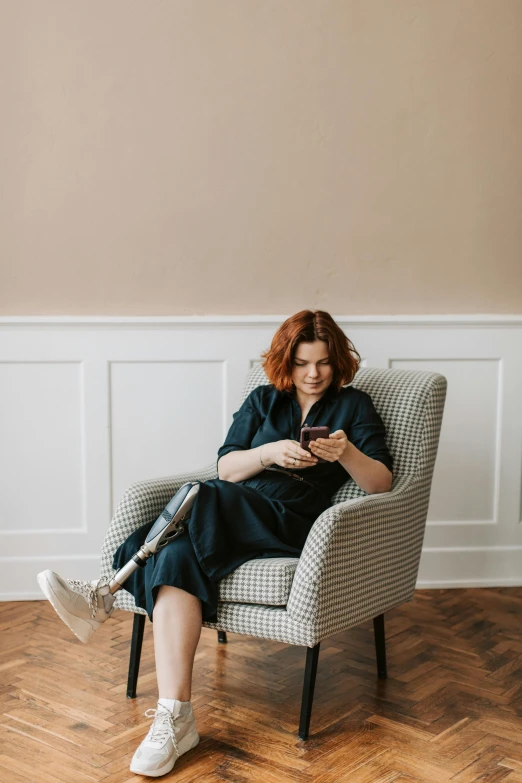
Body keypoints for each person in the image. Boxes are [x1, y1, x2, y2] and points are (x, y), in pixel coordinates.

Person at [37, 309, 393, 778]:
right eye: (303, 362)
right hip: (234, 507)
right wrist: (268, 452)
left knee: (201, 496)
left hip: (293, 518)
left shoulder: (355, 406)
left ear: (337, 361)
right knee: (178, 557)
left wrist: (345, 452)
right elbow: (226, 467)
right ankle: (175, 717)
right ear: (287, 360)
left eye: (324, 363)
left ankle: (107, 592)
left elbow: (382, 484)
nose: (313, 374)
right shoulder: (263, 400)